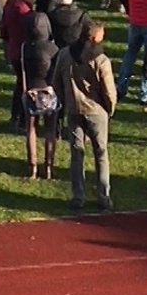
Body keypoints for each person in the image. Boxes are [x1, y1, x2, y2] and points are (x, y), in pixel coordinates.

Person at [53, 20, 118, 211]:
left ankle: (78, 196)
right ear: (94, 37)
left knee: (76, 152)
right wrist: (109, 109)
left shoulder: (65, 54)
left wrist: (64, 101)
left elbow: (56, 81)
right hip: (97, 111)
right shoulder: (101, 60)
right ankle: (103, 196)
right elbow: (109, 91)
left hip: (74, 108)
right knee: (101, 152)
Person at [18, 11, 58, 178]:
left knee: (31, 130)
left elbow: (23, 71)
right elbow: (55, 73)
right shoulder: (54, 48)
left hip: (31, 92)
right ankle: (48, 166)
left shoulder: (25, 47)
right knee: (50, 130)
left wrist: (24, 90)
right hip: (49, 91)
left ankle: (32, 166)